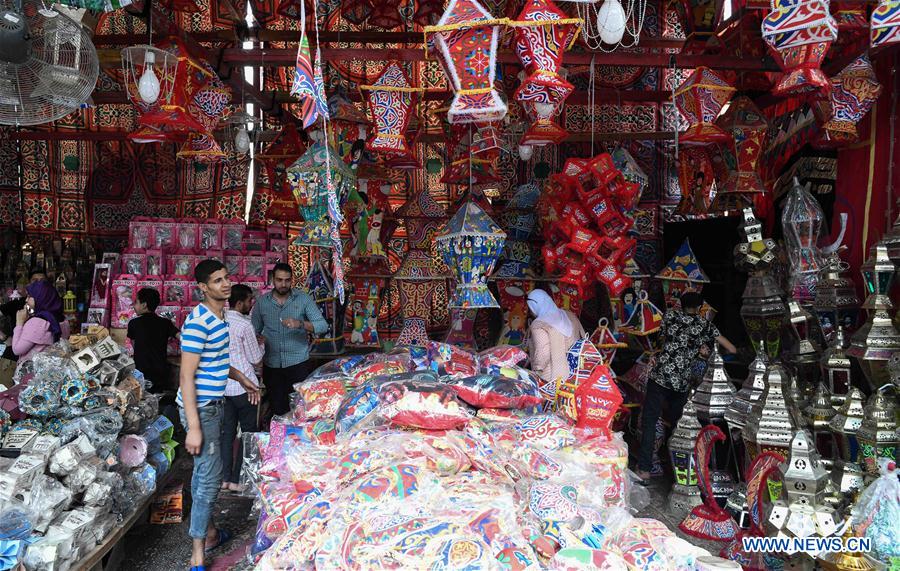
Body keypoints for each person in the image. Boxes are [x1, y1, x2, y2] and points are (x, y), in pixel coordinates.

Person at [178, 259, 260, 571]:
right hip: (201, 409)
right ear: (203, 287)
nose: (225, 284)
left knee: (204, 474)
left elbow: (216, 362)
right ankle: (198, 553)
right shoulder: (199, 322)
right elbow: (186, 376)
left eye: (226, 278)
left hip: (214, 404)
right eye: (217, 280)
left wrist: (241, 377)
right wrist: (194, 426)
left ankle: (210, 533)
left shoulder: (222, 316)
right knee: (210, 480)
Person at [636, 291, 736, 483]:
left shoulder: (670, 316)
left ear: (681, 305)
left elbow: (662, 338)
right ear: (699, 307)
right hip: (682, 383)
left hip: (660, 377)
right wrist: (712, 354)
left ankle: (644, 470)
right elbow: (731, 348)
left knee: (650, 422)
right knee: (678, 426)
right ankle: (677, 471)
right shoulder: (705, 325)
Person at [251, 262, 327, 417]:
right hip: (272, 365)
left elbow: (323, 326)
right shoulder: (262, 303)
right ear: (272, 280)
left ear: (292, 280)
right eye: (279, 280)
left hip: (298, 364)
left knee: (300, 409)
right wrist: (258, 344)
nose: (283, 284)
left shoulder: (303, 299)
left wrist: (300, 323)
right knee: (277, 409)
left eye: (287, 280)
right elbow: (253, 332)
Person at [221, 284, 263, 492]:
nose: (251, 304)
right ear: (239, 303)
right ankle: (237, 480)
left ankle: (224, 479)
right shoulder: (245, 325)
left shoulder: (219, 319)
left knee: (227, 434)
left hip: (223, 387)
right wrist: (262, 344)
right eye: (249, 301)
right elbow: (255, 359)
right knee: (248, 434)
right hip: (245, 387)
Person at [526, 289, 585, 386]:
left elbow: (543, 353)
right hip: (576, 374)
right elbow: (582, 338)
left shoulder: (539, 324)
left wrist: (535, 371)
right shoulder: (570, 315)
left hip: (553, 379)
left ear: (534, 306)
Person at [127, 288, 179, 393]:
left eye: (136, 302)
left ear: (144, 305)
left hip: (141, 371)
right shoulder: (165, 323)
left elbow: (133, 343)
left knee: (141, 397)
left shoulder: (134, 323)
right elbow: (181, 336)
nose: (134, 306)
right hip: (161, 371)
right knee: (158, 397)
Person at [11, 280, 69, 362]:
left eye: (29, 296)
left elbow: (17, 350)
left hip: (32, 369)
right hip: (53, 367)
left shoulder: (36, 322)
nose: (26, 300)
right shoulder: (63, 320)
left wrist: (19, 323)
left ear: (39, 297)